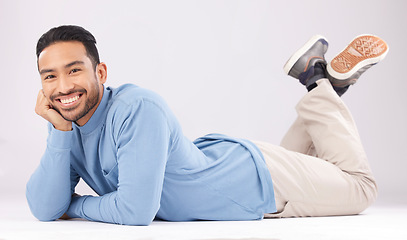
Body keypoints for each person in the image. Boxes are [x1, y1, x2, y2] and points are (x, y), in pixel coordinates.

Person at [26, 25, 388, 225]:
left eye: (74, 70)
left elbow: (135, 212)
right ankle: (326, 89)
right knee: (320, 164)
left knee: (360, 188)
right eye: (50, 77)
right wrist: (58, 135)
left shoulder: (136, 108)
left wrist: (74, 207)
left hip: (257, 186)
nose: (63, 87)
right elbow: (44, 208)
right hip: (233, 169)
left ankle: (318, 83)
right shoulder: (65, 122)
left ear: (100, 72)